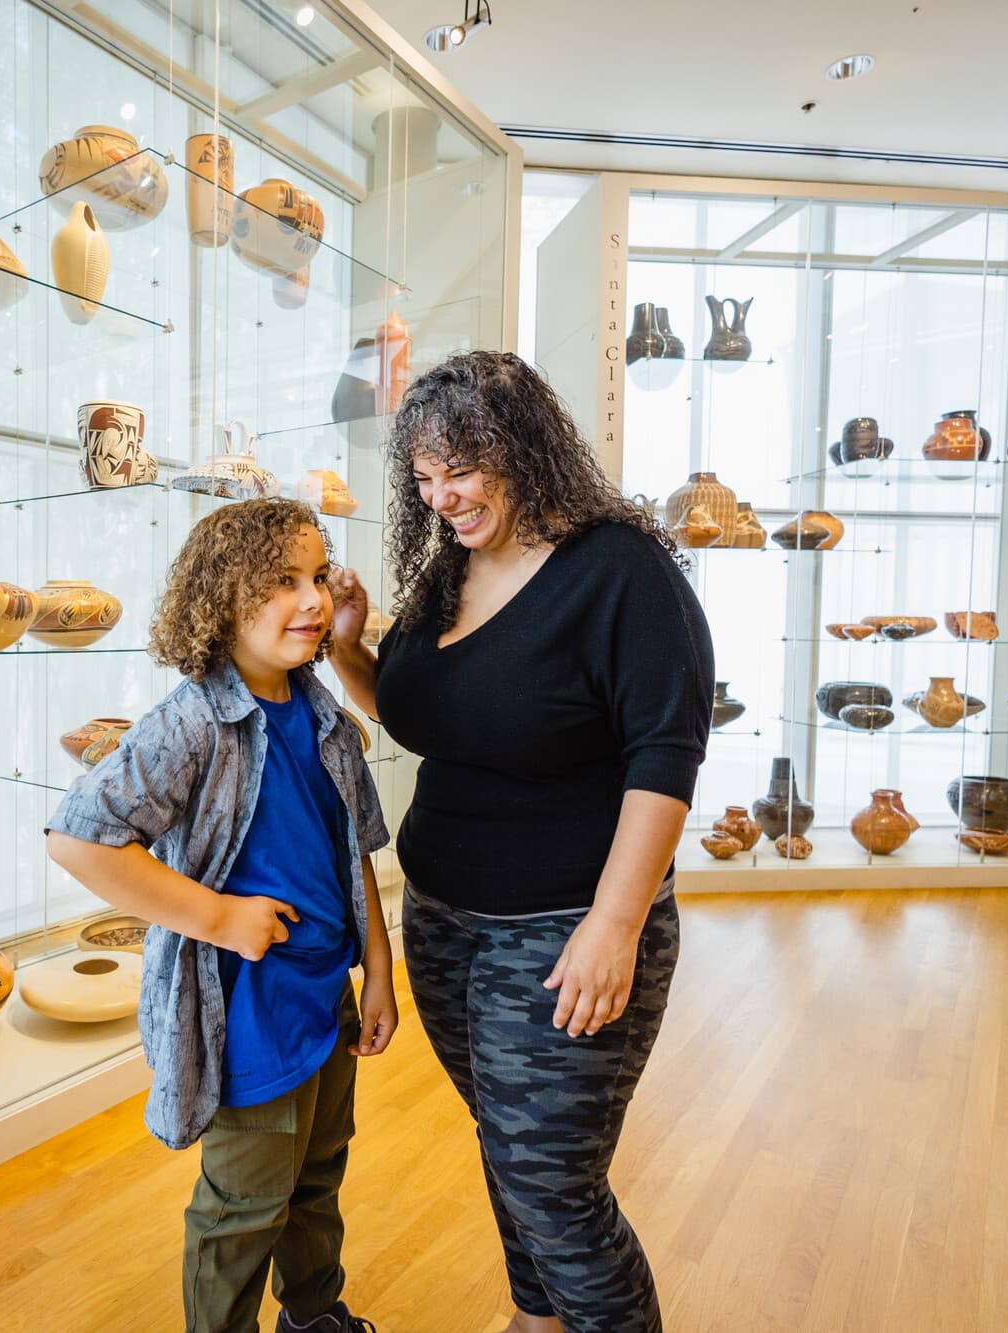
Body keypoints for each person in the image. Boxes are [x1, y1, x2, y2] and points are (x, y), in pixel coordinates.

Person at [328, 350, 713, 1333]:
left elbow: (663, 754)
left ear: (520, 449)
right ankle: (536, 1320)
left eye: (456, 470)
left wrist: (614, 922)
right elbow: (429, 718)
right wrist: (344, 651)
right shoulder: (451, 571)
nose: (440, 496)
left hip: (564, 929)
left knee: (551, 1181)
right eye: (421, 479)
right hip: (446, 921)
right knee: (510, 1147)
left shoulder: (619, 571)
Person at [46, 498, 397, 1333]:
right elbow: (77, 838)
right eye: (282, 582)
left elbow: (355, 854)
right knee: (241, 1210)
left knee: (317, 1178)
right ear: (221, 598)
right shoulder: (191, 724)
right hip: (247, 1018)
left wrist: (379, 970)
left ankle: (314, 1315)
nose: (311, 600)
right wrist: (217, 916)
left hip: (327, 1003)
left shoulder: (327, 720)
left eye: (317, 576)